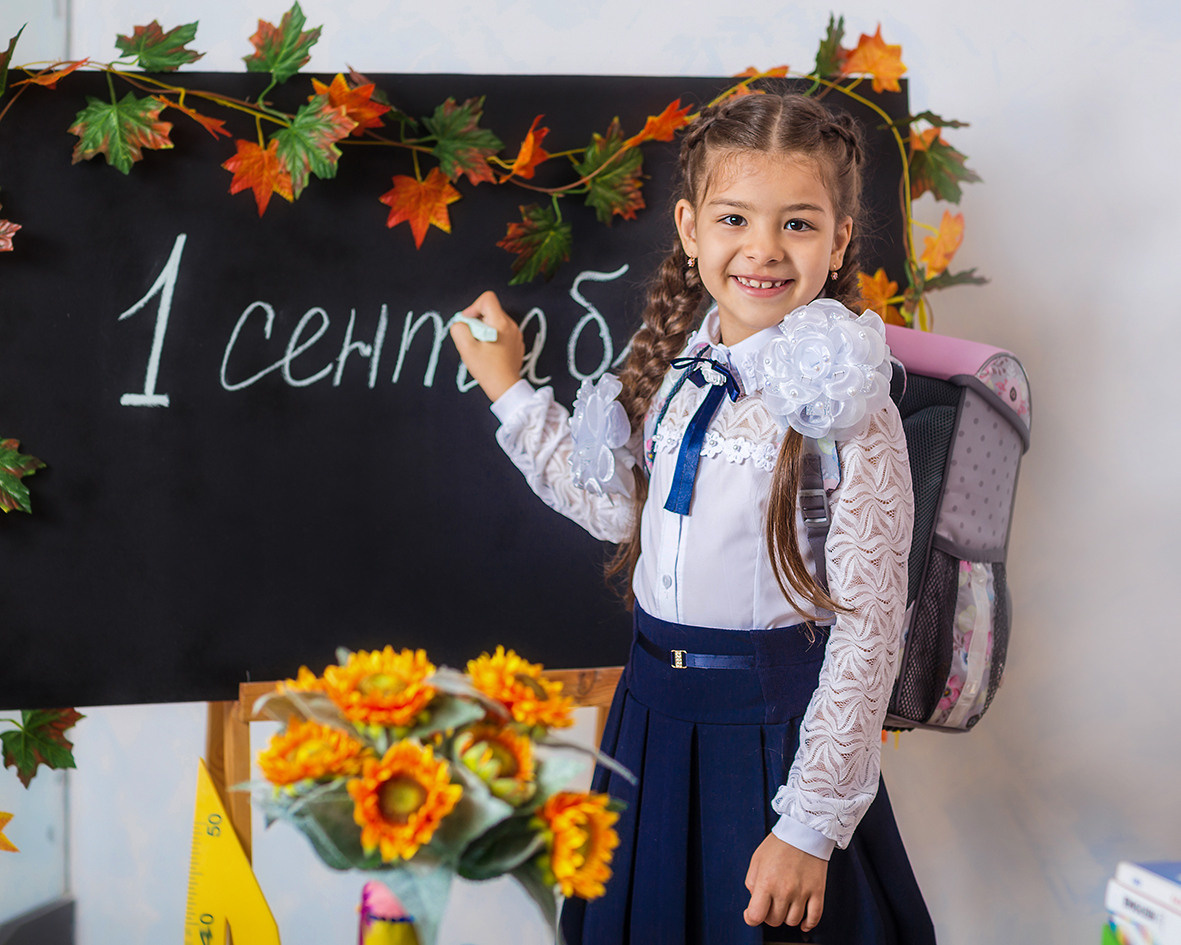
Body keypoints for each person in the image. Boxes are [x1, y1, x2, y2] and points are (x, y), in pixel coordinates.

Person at [450, 92, 935, 945]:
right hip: (650, 720)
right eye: (734, 218)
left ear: (839, 238)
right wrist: (507, 386)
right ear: (688, 227)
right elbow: (614, 510)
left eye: (797, 223)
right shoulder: (682, 371)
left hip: (767, 737)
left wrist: (805, 828)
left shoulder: (849, 402)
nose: (761, 249)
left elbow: (869, 628)